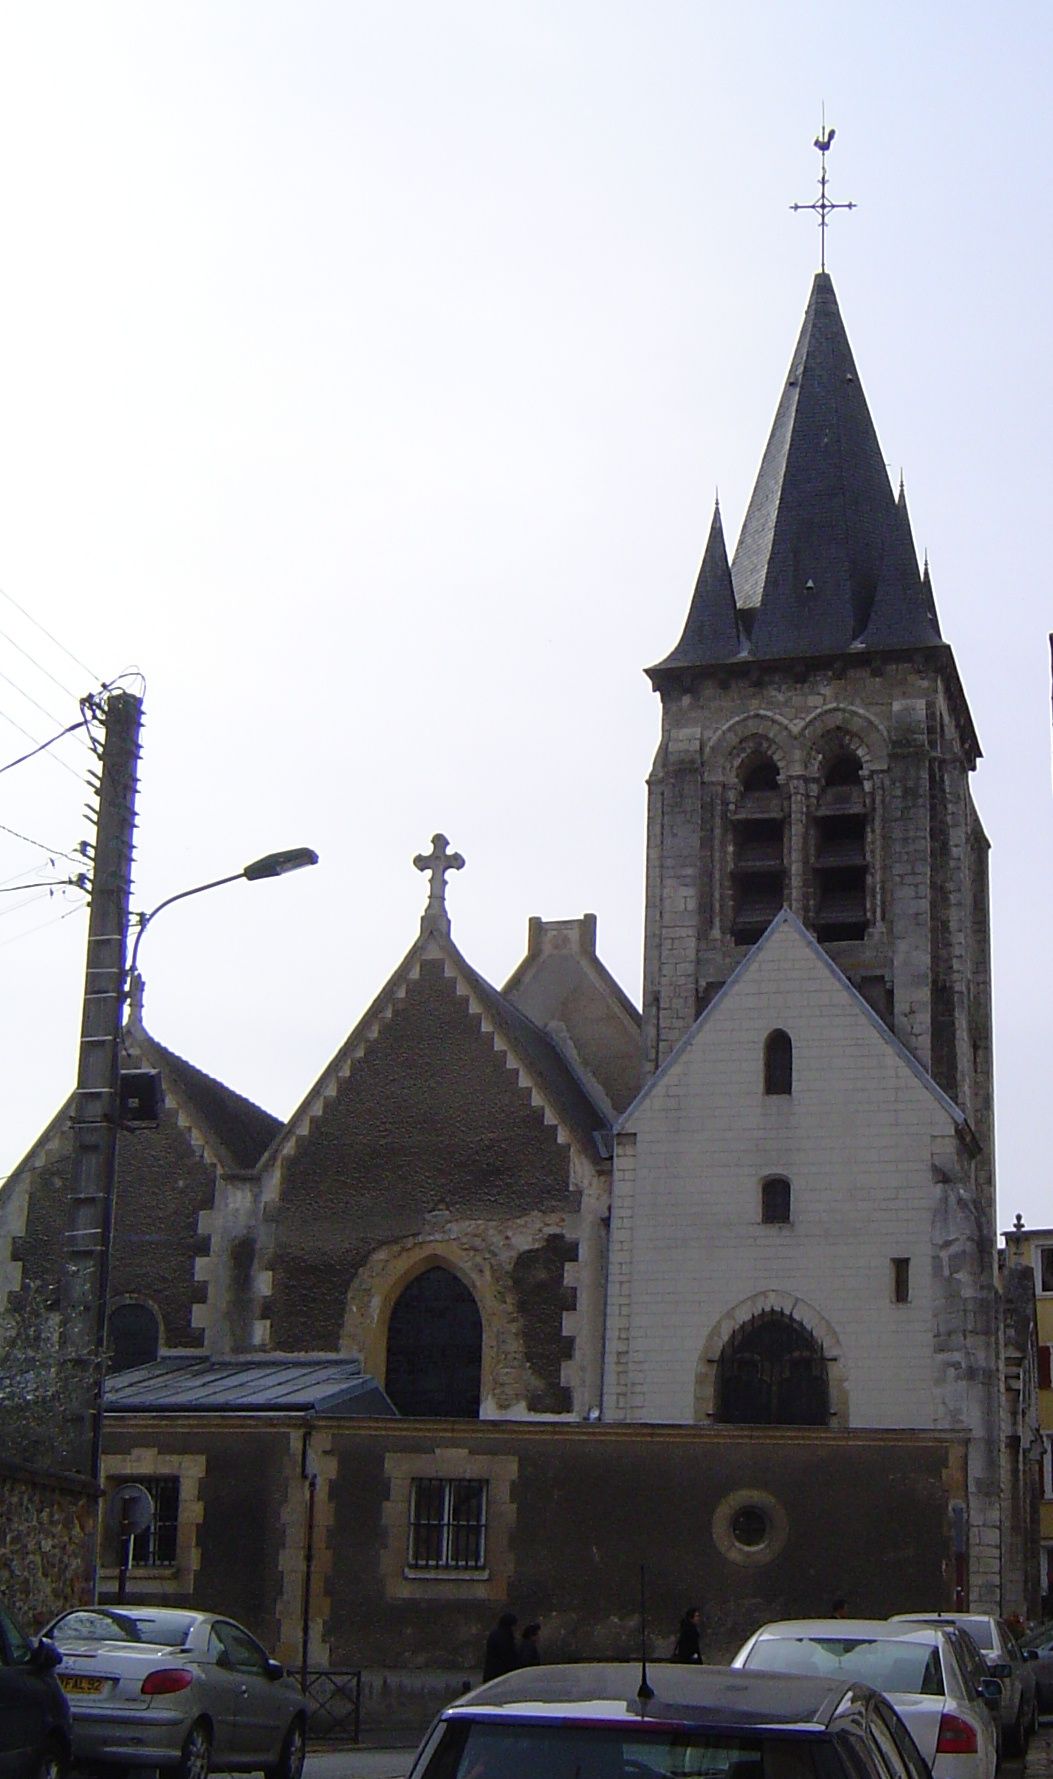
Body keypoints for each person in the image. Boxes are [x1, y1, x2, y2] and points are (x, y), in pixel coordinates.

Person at [482, 1610, 519, 1681]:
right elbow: (508, 1656)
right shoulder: (506, 1636)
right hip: (501, 1674)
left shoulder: (495, 1634)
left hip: (492, 1672)